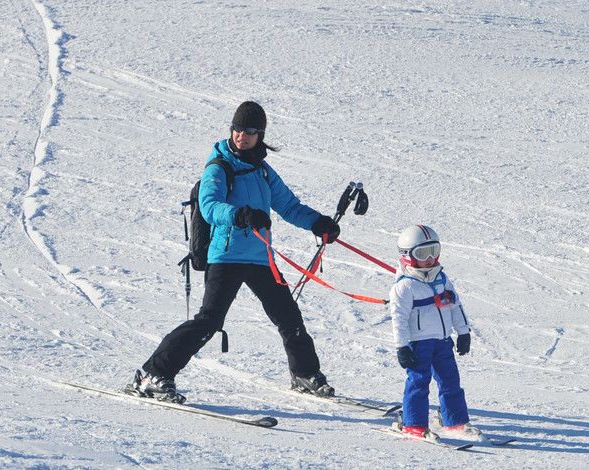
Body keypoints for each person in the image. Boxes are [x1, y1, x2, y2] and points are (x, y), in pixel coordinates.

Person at [127, 101, 341, 403]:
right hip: (225, 256)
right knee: (209, 321)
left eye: (250, 131)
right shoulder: (219, 166)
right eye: (238, 128)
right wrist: (241, 214)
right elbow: (211, 205)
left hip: (259, 257)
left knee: (288, 316)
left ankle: (304, 373)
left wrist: (318, 223)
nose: (242, 135)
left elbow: (289, 206)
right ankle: (152, 374)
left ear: (260, 134)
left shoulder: (263, 172)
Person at [389, 224, 478, 440]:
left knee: (450, 381)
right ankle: (414, 424)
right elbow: (398, 319)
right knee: (419, 382)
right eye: (422, 253)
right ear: (408, 256)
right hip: (419, 343)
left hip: (443, 341)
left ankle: (455, 421)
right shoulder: (404, 287)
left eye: (434, 251)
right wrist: (402, 346)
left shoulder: (442, 279)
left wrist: (463, 332)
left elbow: (455, 306)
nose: (429, 258)